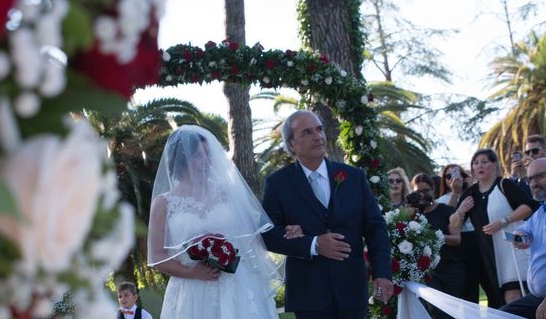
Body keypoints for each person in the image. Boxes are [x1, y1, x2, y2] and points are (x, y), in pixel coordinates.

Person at [261, 110, 392, 319]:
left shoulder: (354, 177)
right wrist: (313, 244)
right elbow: (268, 235)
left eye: (319, 129)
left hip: (352, 291)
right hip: (309, 295)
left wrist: (382, 273)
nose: (318, 136)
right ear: (292, 145)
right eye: (307, 132)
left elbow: (376, 228)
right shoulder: (278, 184)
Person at [147, 125, 282, 318]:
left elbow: (254, 233)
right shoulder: (163, 203)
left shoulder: (227, 193)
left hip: (237, 283)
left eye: (208, 155)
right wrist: (192, 272)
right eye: (198, 156)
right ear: (182, 159)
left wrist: (288, 230)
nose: (206, 161)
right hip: (192, 289)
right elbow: (157, 257)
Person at [450, 148, 538, 308]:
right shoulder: (471, 193)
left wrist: (504, 220)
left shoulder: (505, 184)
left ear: (494, 165)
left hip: (514, 247)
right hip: (490, 255)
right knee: (501, 299)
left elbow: (528, 206)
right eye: (475, 163)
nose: (479, 166)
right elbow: (453, 225)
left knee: (514, 294)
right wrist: (460, 210)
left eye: (484, 161)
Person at [500, 157, 546, 319]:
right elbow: (523, 230)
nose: (534, 183)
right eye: (530, 179)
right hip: (537, 297)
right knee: (499, 316)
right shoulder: (541, 211)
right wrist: (520, 236)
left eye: (540, 176)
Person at [410, 174, 463, 319]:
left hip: (451, 269)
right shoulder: (415, 216)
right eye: (418, 192)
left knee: (452, 312)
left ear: (433, 190)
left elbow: (457, 239)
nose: (422, 195)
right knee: (435, 312)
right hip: (430, 272)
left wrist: (434, 236)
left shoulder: (446, 210)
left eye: (426, 191)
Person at [436, 163, 480, 303]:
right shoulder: (441, 200)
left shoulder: (473, 192)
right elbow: (446, 220)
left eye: (457, 174)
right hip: (457, 244)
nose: (453, 179)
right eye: (448, 176)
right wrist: (455, 193)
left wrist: (471, 185)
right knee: (464, 288)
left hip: (476, 238)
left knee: (479, 283)